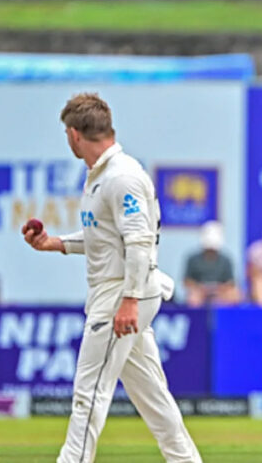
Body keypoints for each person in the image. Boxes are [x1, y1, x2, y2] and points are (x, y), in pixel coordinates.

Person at [21, 93, 201, 463]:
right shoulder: (102, 176)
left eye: (66, 135)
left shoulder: (122, 177)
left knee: (89, 392)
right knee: (153, 396)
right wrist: (55, 243)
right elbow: (105, 239)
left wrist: (129, 300)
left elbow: (138, 241)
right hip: (124, 290)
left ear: (74, 134)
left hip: (123, 292)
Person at [183, 220, 241, 307]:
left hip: (220, 292)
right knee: (193, 298)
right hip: (200, 292)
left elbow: (230, 282)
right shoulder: (193, 259)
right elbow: (187, 281)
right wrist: (199, 288)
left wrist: (219, 289)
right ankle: (196, 315)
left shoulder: (225, 260)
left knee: (234, 295)